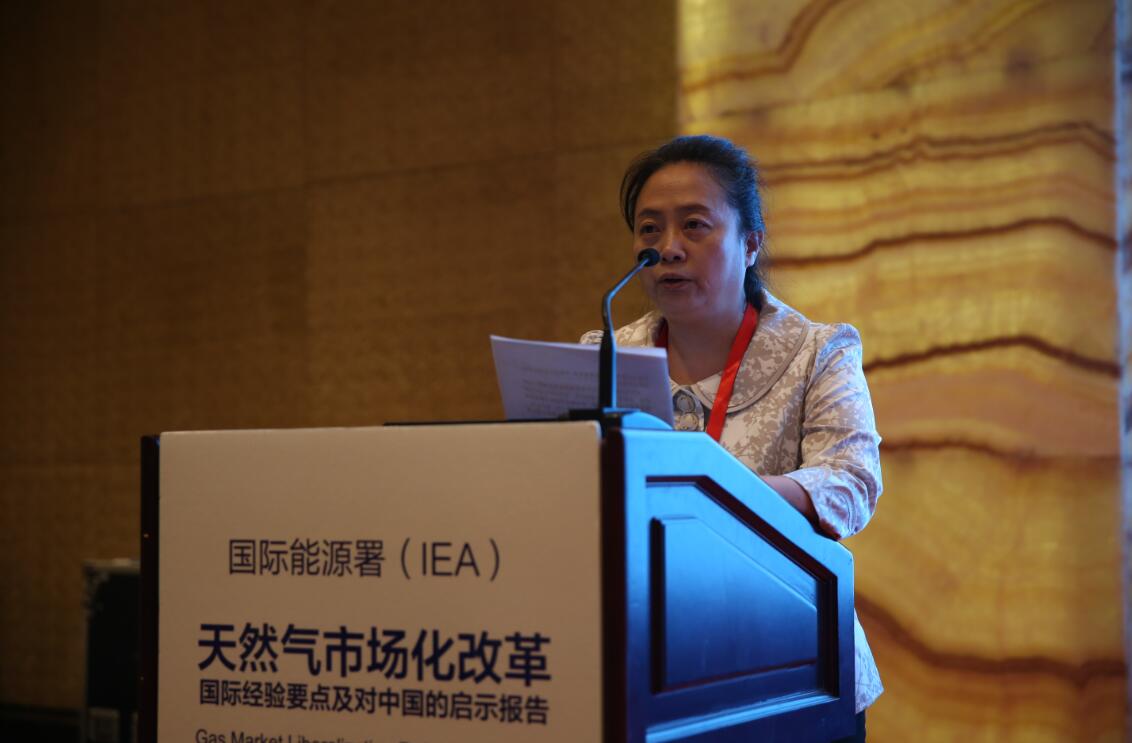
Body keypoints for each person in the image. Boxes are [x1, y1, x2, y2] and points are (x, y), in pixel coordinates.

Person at [581, 135, 882, 741]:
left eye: (694, 225)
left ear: (750, 244)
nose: (668, 248)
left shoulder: (818, 351)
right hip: (642, 657)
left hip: (791, 661)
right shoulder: (604, 355)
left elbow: (852, 482)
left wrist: (717, 495)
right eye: (649, 229)